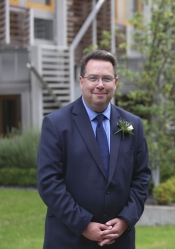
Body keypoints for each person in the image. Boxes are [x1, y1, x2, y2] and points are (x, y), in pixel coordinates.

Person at [37, 50, 151, 248]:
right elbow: (49, 183)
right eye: (93, 78)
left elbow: (141, 178)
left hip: (118, 240)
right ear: (81, 81)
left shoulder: (132, 125)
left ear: (115, 82)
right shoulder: (56, 124)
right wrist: (83, 224)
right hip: (69, 239)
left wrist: (125, 219)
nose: (100, 84)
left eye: (106, 78)